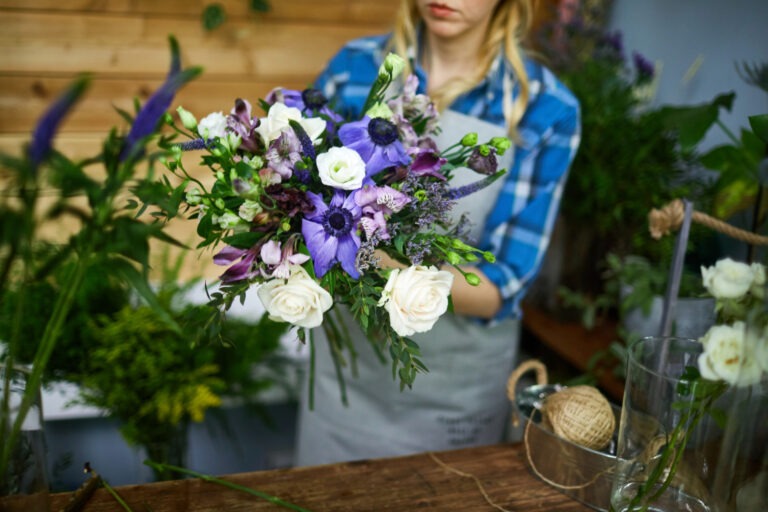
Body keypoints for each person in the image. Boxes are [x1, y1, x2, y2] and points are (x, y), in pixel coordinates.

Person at [294, 0, 581, 466]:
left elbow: (500, 286)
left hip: (451, 394)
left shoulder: (545, 109)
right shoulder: (355, 69)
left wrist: (381, 264)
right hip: (344, 389)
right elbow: (301, 193)